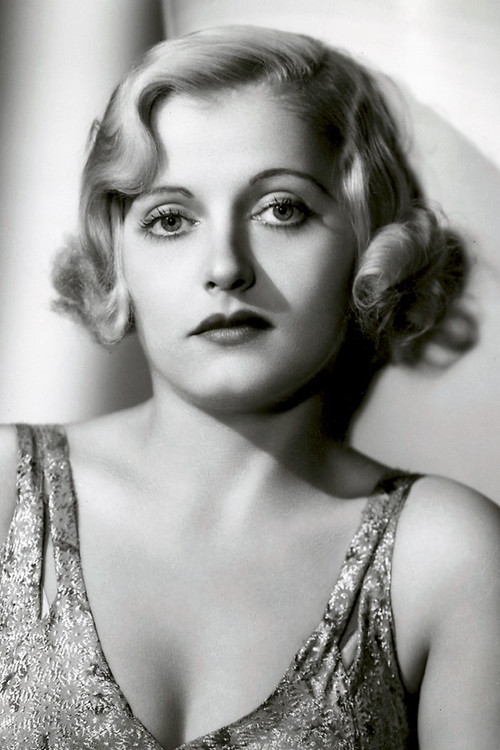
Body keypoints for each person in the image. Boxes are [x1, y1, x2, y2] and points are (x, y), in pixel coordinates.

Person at [0, 24, 498, 750]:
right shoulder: (10, 497)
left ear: (365, 246)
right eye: (170, 219)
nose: (226, 267)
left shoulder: (443, 557)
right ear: (118, 260)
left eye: (281, 210)